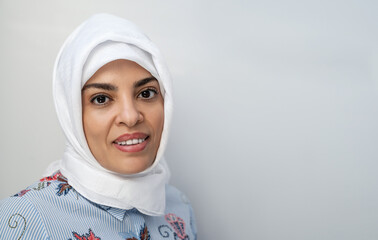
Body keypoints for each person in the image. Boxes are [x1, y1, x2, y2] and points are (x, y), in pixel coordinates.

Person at [0, 13, 197, 240]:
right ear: (71, 114)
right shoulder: (25, 220)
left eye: (146, 93)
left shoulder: (178, 207)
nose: (131, 117)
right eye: (101, 99)